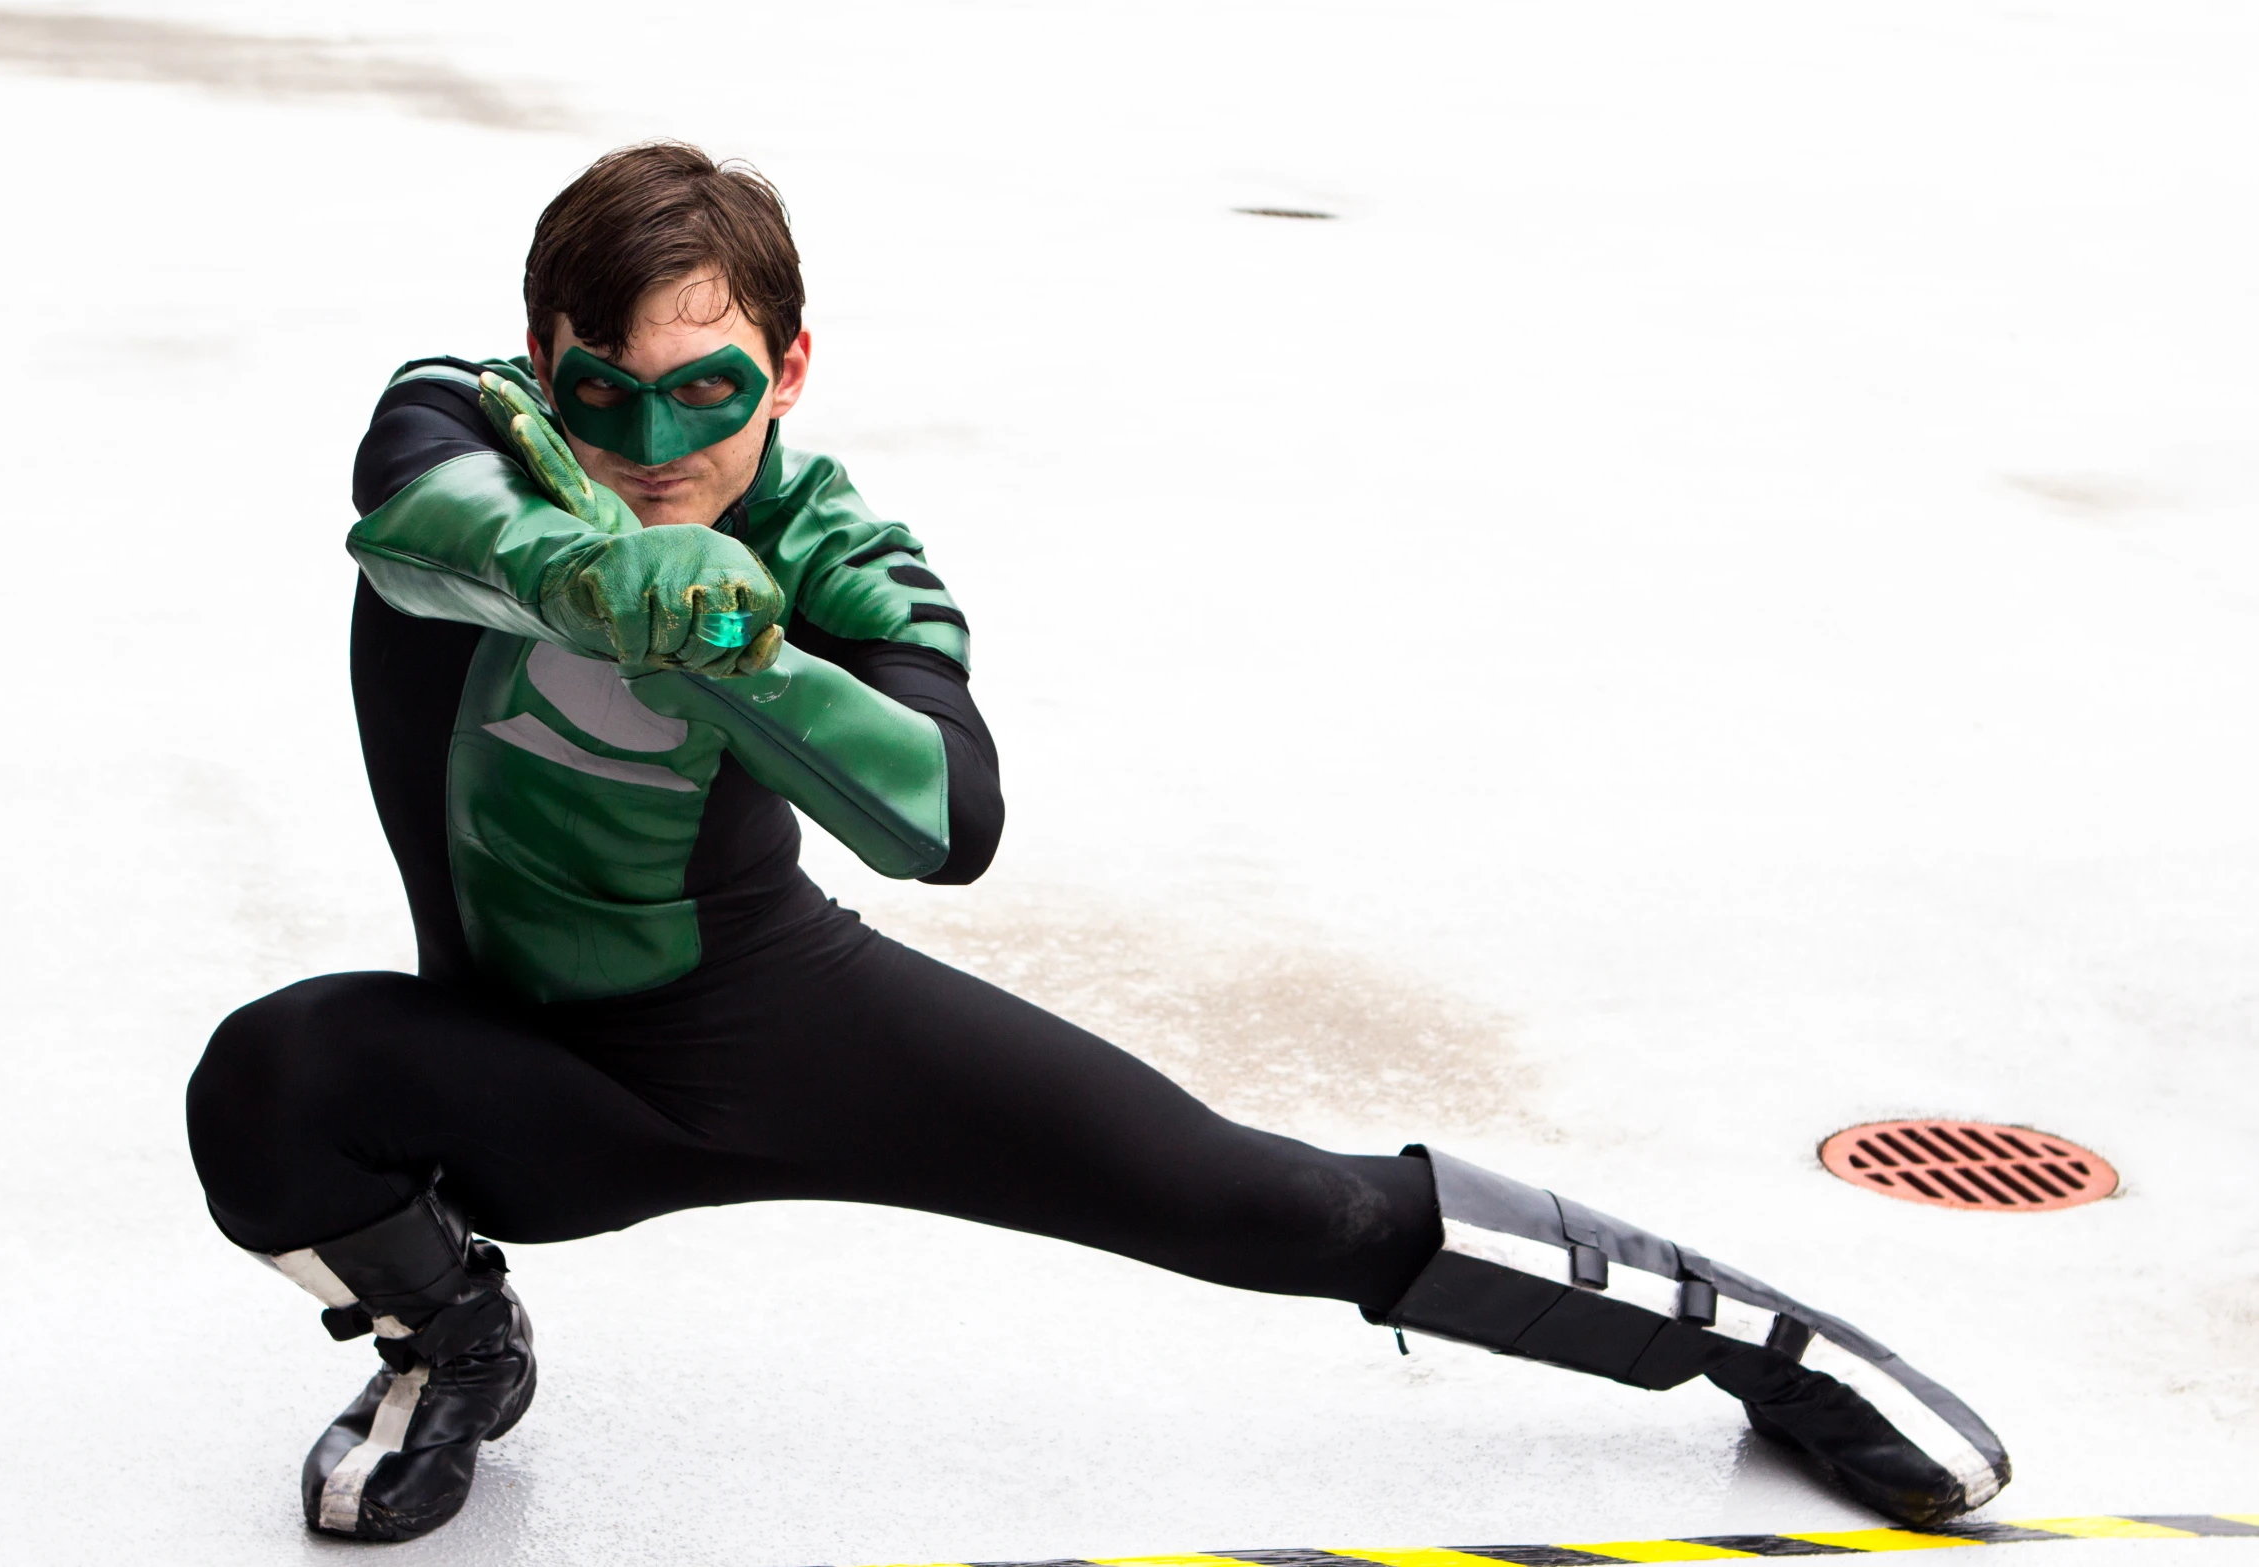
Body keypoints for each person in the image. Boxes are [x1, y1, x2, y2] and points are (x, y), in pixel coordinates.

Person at [185, 141, 2010, 1544]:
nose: (653, 441)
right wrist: (590, 567)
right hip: (519, 1076)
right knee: (274, 1085)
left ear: (792, 366)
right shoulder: (470, 430)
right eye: (605, 394)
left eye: (707, 391)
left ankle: (1769, 1344)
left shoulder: (837, 550)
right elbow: (416, 524)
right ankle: (454, 1338)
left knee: (1264, 1200)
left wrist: (748, 653)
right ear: (541, 361)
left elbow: (942, 818)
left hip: (768, 1022)